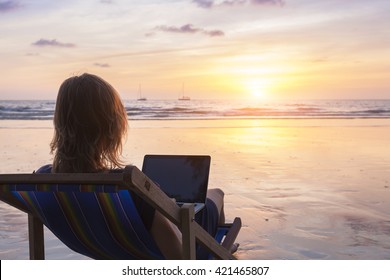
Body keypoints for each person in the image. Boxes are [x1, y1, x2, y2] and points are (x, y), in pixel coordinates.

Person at [37, 73, 227, 259]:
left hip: (108, 245)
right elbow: (179, 255)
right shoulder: (128, 188)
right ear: (112, 127)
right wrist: (165, 209)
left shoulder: (42, 181)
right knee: (216, 194)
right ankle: (217, 250)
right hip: (159, 247)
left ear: (59, 121)